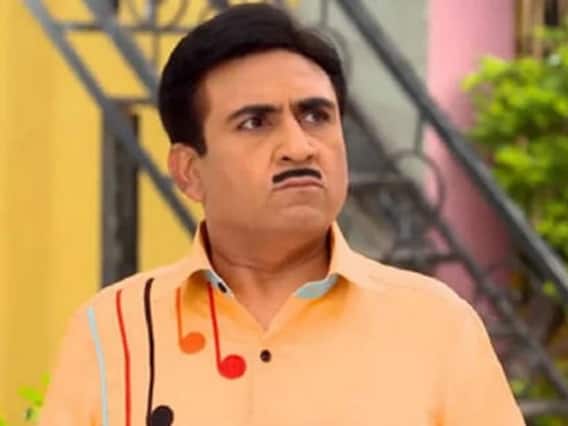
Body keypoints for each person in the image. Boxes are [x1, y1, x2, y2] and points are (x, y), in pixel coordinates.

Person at [39, 3, 525, 425]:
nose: (299, 146)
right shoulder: (114, 331)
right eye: (255, 122)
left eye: (316, 116)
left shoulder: (436, 326)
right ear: (189, 171)